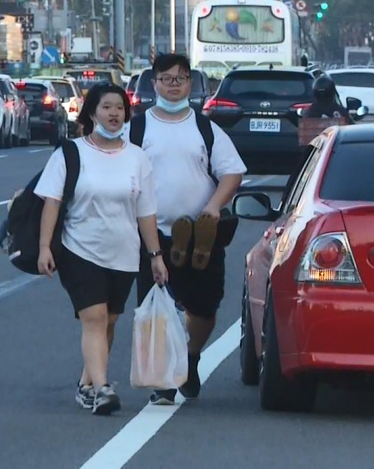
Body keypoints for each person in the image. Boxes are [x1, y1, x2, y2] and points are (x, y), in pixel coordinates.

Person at [35, 83, 169, 416]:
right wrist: (44, 247)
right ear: (92, 111)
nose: (114, 114)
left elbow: (146, 211)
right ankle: (103, 388)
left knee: (109, 322)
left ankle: (87, 384)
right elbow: (52, 202)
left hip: (124, 252)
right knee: (93, 319)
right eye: (107, 107)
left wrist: (156, 256)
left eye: (120, 108)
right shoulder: (70, 152)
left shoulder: (137, 158)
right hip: (80, 249)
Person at [125, 53, 247, 406]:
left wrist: (213, 207)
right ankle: (163, 380)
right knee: (155, 306)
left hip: (201, 239)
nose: (174, 84)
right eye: (167, 78)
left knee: (205, 309)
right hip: (153, 236)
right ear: (155, 83)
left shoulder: (206, 128)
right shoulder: (137, 129)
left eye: (180, 78)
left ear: (190, 84)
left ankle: (190, 359)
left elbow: (232, 173)